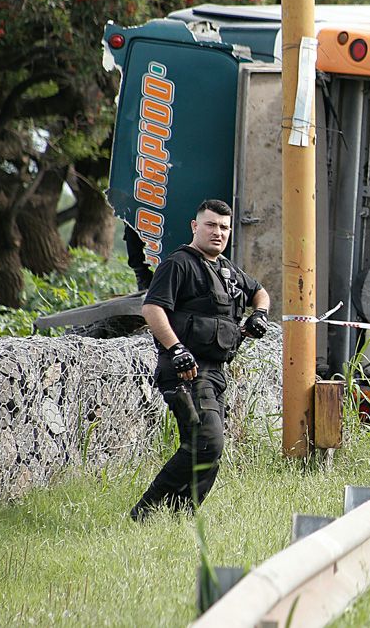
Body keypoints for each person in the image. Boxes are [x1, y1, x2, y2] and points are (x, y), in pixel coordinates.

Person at [129, 199, 271, 521]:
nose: (217, 232)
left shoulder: (227, 269)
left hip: (216, 372)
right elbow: (152, 309)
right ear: (195, 226)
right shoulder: (179, 263)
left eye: (224, 227)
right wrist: (176, 349)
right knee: (207, 441)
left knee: (208, 448)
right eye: (210, 225)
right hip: (186, 372)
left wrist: (259, 314)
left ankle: (180, 515)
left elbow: (260, 291)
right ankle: (146, 511)